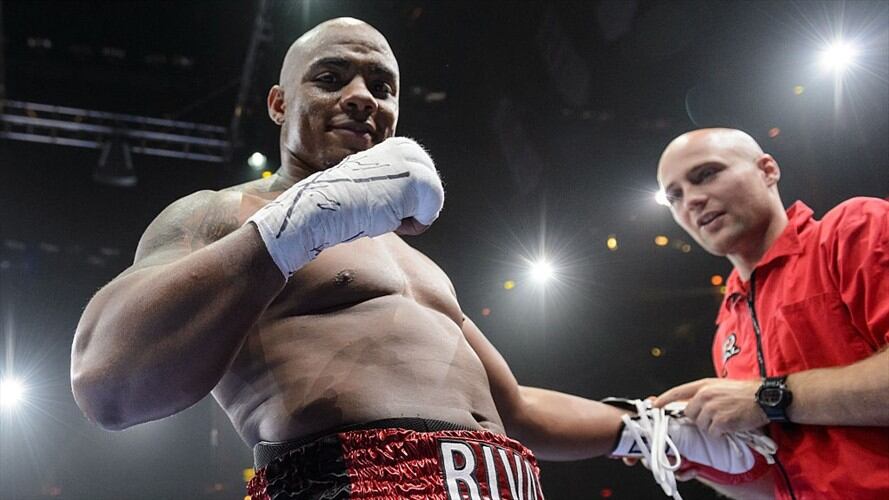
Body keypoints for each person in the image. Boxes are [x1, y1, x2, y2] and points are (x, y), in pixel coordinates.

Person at [70, 17, 635, 499]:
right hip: (349, 480)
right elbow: (106, 382)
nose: (363, 96)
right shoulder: (222, 214)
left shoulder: (413, 261)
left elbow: (517, 411)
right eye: (331, 78)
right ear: (279, 102)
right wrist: (297, 222)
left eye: (382, 86)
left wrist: (650, 429)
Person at [653, 128, 889, 499]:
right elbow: (774, 485)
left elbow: (763, 401)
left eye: (706, 174)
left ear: (767, 170)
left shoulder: (854, 229)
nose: (692, 201)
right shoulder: (727, 331)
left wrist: (767, 397)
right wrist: (689, 451)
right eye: (674, 196)